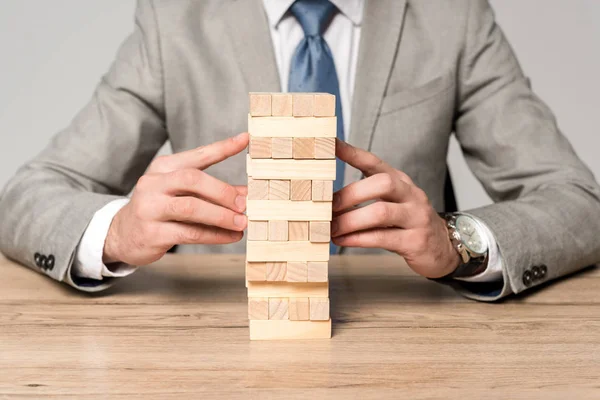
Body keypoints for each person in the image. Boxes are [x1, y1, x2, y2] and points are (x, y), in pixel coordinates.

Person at [1, 0, 599, 301]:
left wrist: (458, 242)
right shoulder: (175, 21)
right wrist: (116, 232)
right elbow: (26, 197)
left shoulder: (453, 18)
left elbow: (580, 203)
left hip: (409, 341)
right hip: (224, 344)